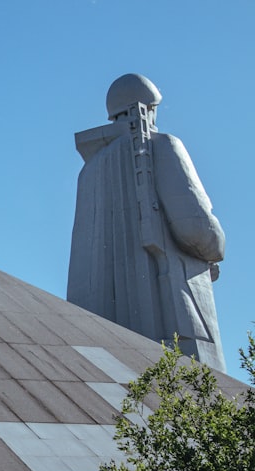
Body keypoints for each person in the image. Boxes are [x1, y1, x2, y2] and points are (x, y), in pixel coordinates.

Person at [68, 74, 226, 371]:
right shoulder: (163, 145)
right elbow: (195, 228)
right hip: (176, 315)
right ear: (148, 109)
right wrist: (216, 247)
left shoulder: (88, 174)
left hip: (105, 340)